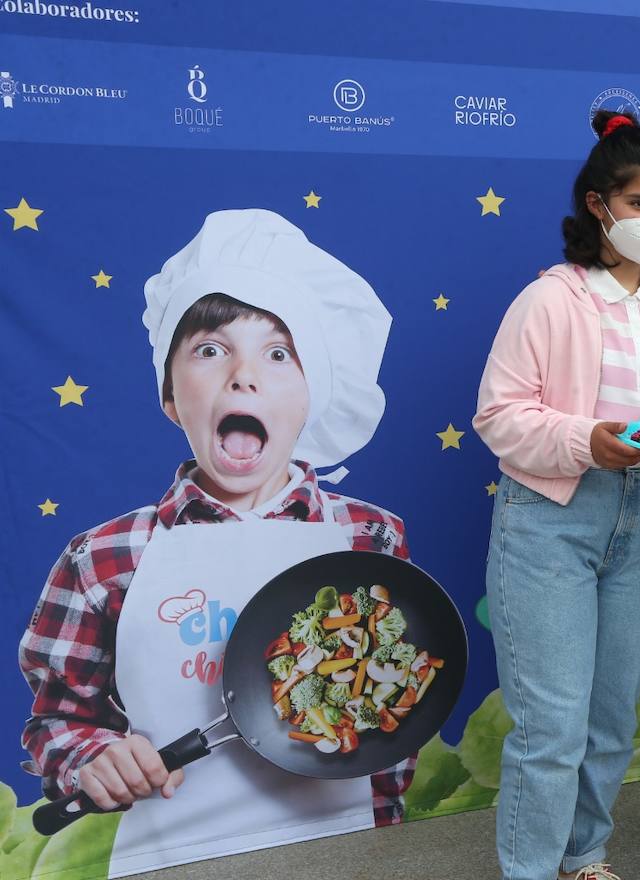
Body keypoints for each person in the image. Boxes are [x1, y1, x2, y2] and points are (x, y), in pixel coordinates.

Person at [19, 209, 413, 877]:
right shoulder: (104, 558)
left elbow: (398, 702)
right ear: (171, 394)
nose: (243, 376)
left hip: (349, 853)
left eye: (279, 353)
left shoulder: (369, 537)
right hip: (171, 857)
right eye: (210, 349)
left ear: (313, 394)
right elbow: (56, 722)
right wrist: (92, 758)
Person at [472, 110, 640, 880]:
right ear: (598, 205)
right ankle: (528, 869)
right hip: (548, 519)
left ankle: (585, 858)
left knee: (613, 716)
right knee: (551, 727)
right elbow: (499, 414)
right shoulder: (549, 301)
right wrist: (589, 441)